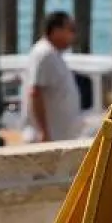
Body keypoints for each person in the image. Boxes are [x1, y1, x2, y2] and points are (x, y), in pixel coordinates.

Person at [24, 11, 81, 143]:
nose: (73, 35)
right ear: (56, 30)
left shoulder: (54, 54)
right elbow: (35, 93)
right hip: (48, 137)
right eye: (70, 30)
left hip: (60, 136)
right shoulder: (44, 54)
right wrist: (43, 131)